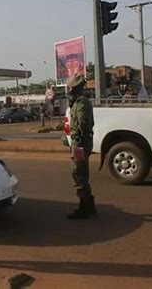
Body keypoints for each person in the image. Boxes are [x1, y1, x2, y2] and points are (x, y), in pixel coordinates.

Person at [67, 73, 97, 219]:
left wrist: (78, 141)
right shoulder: (79, 102)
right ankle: (88, 205)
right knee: (81, 173)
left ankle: (85, 206)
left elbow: (82, 124)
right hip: (79, 143)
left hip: (79, 144)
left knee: (78, 173)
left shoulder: (81, 102)